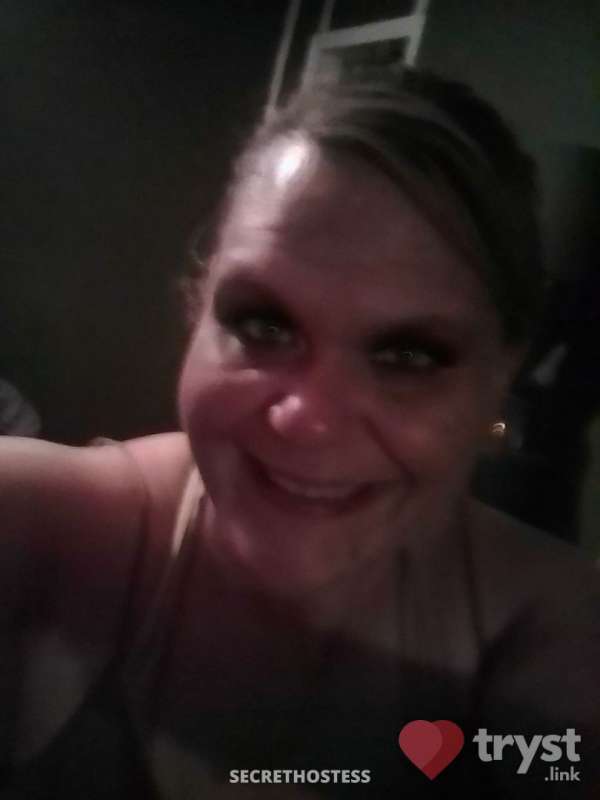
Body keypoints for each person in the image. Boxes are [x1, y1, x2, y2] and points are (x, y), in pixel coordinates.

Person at [1, 69, 599, 799]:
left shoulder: (558, 633)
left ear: (499, 376)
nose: (309, 419)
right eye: (263, 323)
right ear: (196, 309)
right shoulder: (42, 526)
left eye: (409, 355)